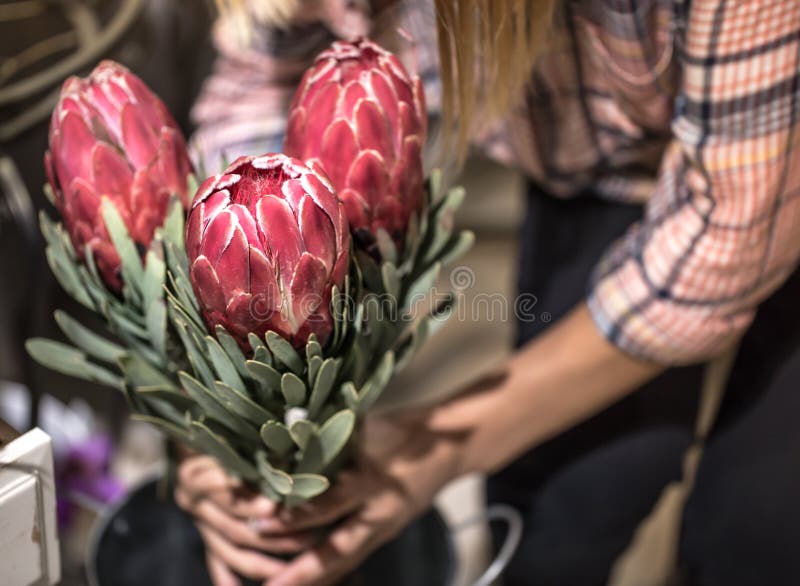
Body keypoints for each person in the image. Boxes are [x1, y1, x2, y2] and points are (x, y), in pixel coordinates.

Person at [174, 1, 800, 584]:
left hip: (763, 160)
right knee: (567, 498)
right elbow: (267, 80)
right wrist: (230, 423)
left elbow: (731, 235)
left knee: (754, 529)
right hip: (606, 163)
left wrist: (445, 442)